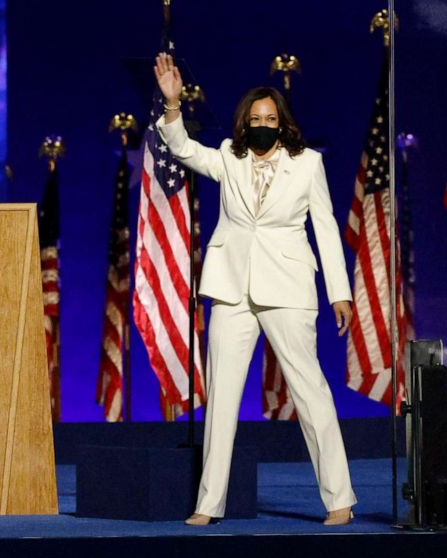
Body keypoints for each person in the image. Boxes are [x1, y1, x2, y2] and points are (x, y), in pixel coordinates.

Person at [152, 53, 357, 526]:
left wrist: (338, 292)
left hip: (287, 287)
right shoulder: (229, 156)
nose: (263, 124)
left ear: (283, 123)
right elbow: (184, 150)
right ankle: (208, 503)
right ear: (244, 122)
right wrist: (172, 104)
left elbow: (325, 228)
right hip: (232, 289)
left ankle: (340, 499)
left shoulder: (308, 165)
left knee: (310, 392)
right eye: (255, 118)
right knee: (221, 397)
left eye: (271, 118)